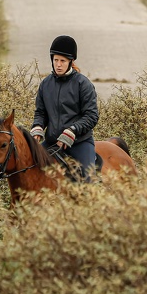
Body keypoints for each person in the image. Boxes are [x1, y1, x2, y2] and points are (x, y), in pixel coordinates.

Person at [29, 35, 99, 183]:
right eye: (55, 60)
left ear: (71, 62)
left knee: (88, 181)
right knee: (30, 168)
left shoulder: (83, 84)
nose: (58, 64)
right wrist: (37, 127)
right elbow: (40, 112)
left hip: (80, 143)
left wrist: (72, 130)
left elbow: (91, 116)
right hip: (52, 142)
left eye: (62, 61)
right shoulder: (45, 85)